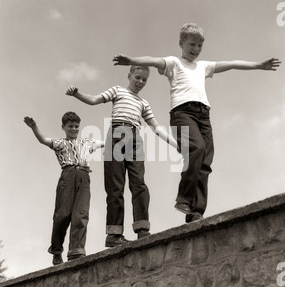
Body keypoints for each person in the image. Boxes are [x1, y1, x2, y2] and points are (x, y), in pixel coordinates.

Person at [112, 22, 281, 223]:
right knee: (197, 149)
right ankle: (183, 197)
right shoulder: (174, 63)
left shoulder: (203, 66)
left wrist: (259, 65)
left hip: (204, 115)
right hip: (182, 114)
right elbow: (153, 60)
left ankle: (195, 212)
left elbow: (232, 63)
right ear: (181, 43)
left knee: (206, 161)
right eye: (192, 45)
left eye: (199, 46)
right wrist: (131, 59)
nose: (196, 50)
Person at [66, 66, 177, 247]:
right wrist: (77, 94)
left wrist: (176, 145)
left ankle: (142, 229)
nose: (140, 82)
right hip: (117, 133)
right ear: (129, 75)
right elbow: (94, 100)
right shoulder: (117, 91)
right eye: (137, 77)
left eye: (144, 80)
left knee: (139, 183)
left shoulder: (143, 103)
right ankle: (114, 235)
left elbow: (156, 128)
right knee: (115, 185)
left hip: (135, 138)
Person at [24, 112, 104, 265]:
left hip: (84, 176)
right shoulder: (60, 143)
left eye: (76, 126)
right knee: (62, 215)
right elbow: (43, 140)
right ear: (63, 127)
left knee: (81, 214)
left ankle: (76, 250)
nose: (74, 129)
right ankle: (56, 250)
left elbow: (105, 142)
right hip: (67, 176)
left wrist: (120, 136)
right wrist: (34, 127)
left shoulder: (87, 142)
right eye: (70, 126)